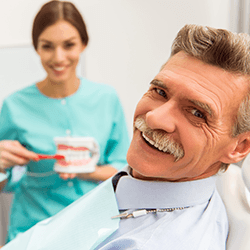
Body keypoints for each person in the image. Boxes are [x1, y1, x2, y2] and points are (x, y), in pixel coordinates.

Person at [2, 24, 250, 250]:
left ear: (239, 147)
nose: (154, 118)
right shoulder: (143, 180)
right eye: (160, 91)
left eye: (197, 113)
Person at [0, 0, 129, 243]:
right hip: (32, 231)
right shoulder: (14, 106)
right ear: (36, 48)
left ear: (83, 44)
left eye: (68, 45)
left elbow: (124, 169)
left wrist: (89, 171)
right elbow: (6, 182)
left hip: (94, 230)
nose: (58, 58)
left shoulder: (106, 99)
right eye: (47, 46)